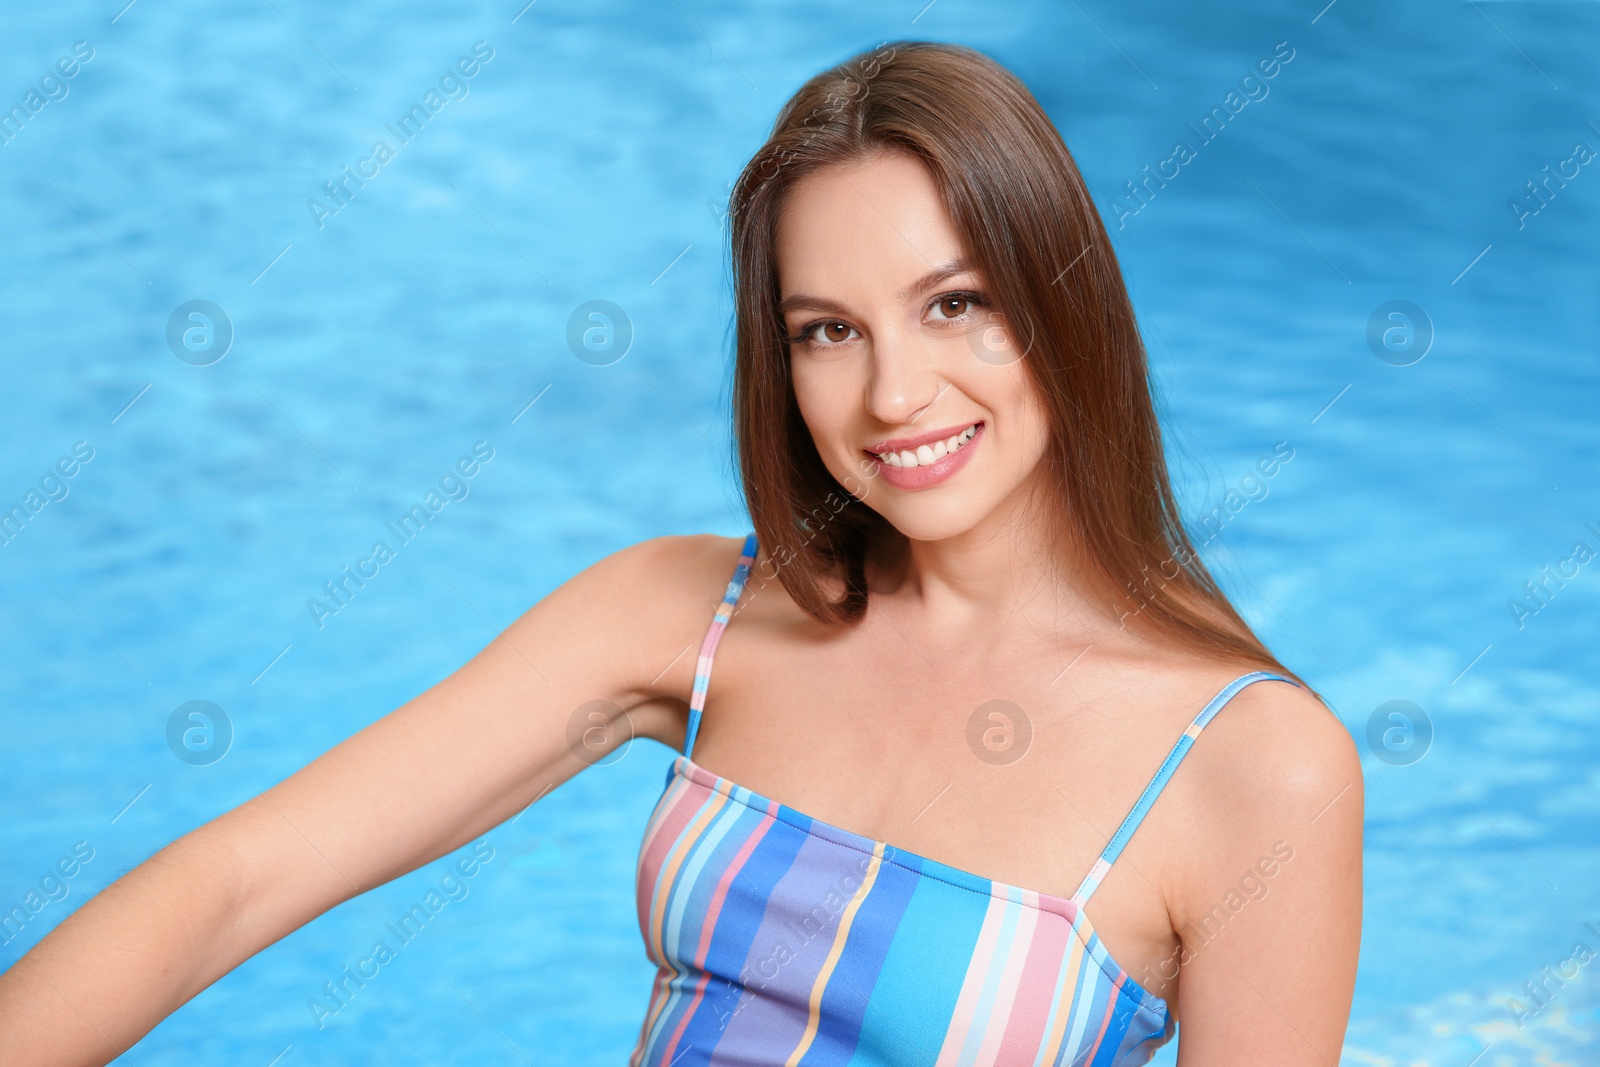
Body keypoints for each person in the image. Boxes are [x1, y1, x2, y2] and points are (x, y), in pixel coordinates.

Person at [0, 40, 1361, 1067]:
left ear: (1063, 303)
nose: (895, 395)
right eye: (827, 329)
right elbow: (236, 884)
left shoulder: (1252, 769)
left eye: (957, 305)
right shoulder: (689, 615)